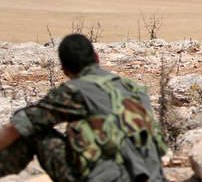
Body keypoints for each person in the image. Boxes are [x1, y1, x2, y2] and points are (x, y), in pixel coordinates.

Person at [0, 34, 167, 182]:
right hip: (153, 176)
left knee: (34, 130)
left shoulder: (74, 91)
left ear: (64, 70)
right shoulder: (133, 88)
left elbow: (17, 126)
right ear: (97, 57)